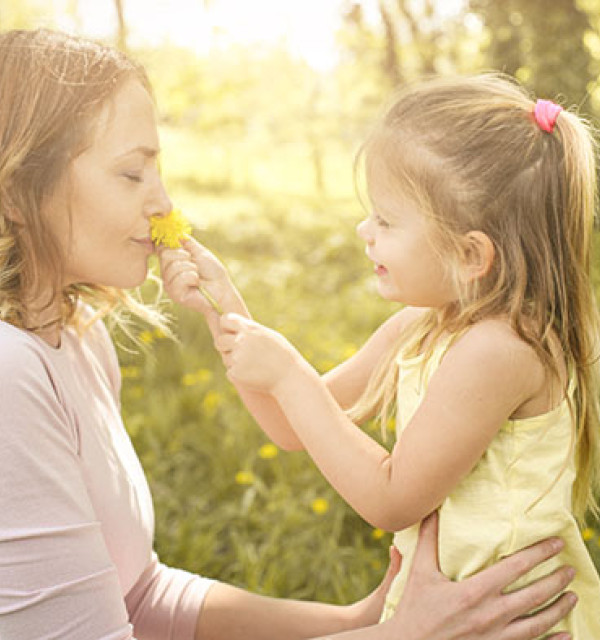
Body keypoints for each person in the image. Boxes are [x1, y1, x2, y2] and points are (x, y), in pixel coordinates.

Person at [0, 28, 576, 640]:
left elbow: (138, 594)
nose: (163, 202)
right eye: (131, 174)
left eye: (156, 169)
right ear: (19, 189)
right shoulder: (12, 373)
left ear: (470, 255)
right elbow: (313, 430)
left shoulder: (75, 337)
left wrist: (364, 622)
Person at [161, 75, 600, 638]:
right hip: (438, 617)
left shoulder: (501, 350)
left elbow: (392, 499)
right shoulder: (420, 327)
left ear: (470, 255)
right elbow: (291, 425)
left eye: (387, 220)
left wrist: (291, 373)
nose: (364, 230)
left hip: (505, 622)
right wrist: (225, 310)